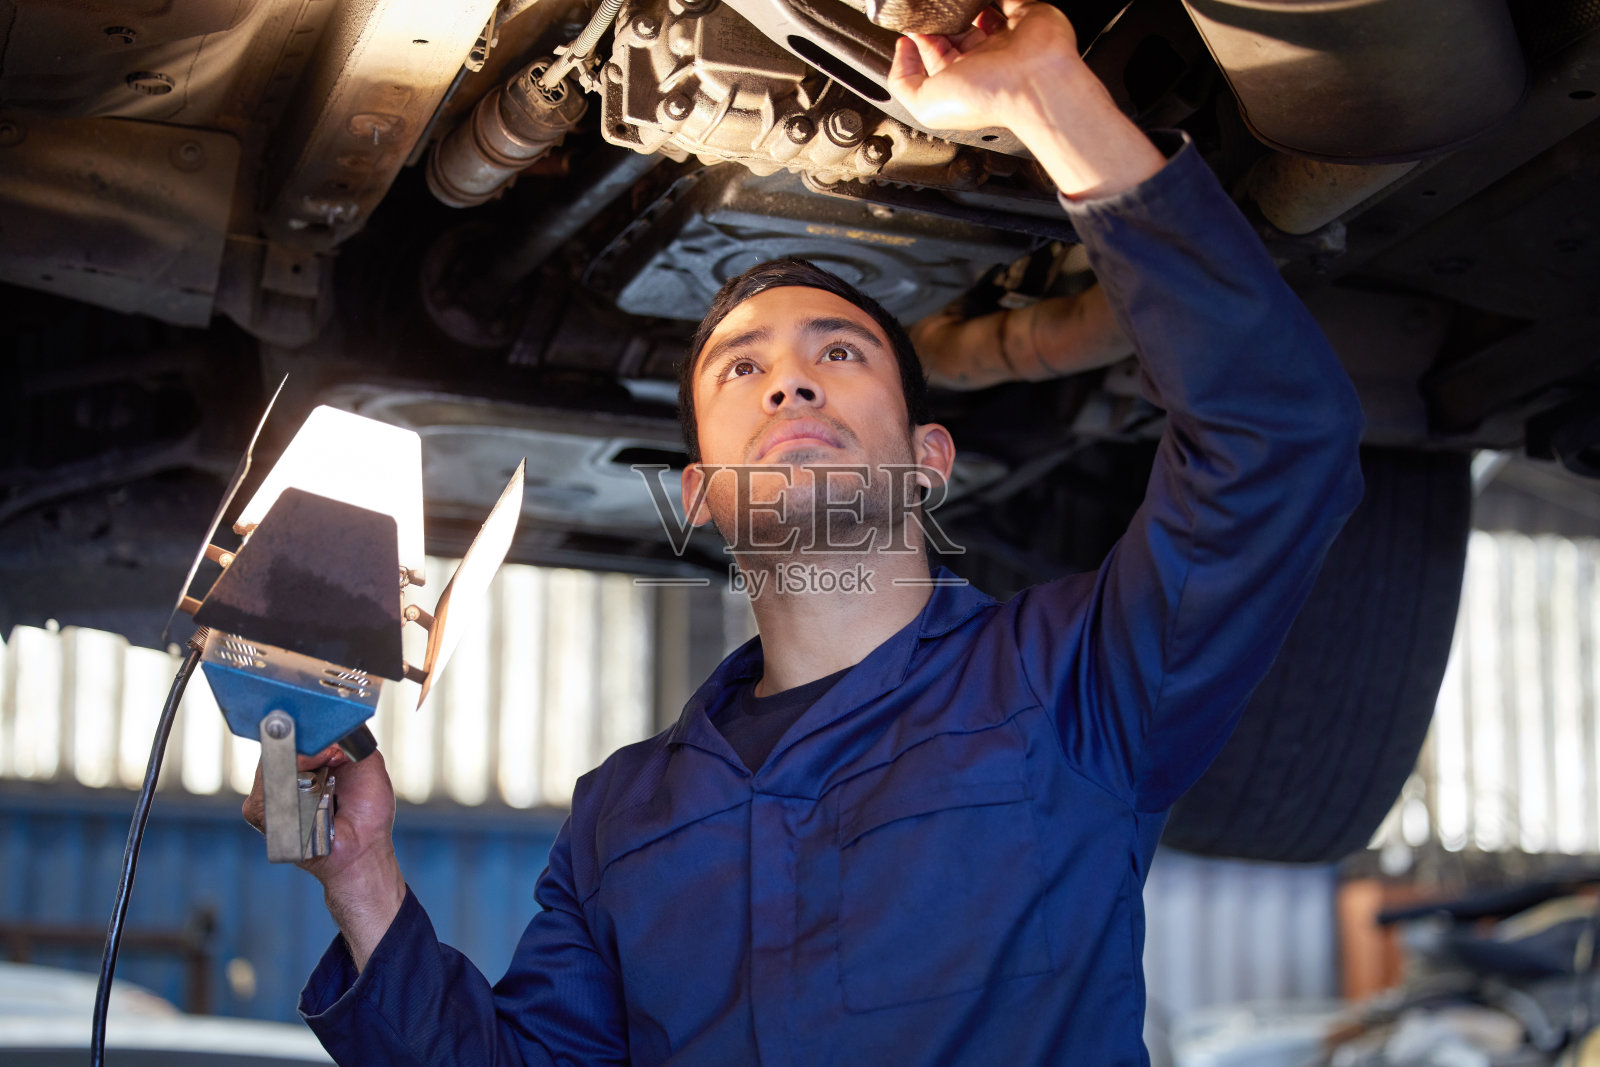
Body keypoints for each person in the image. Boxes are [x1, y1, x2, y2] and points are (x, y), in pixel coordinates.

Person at [244, 2, 1365, 1063]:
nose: (789, 385)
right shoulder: (623, 814)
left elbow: (1275, 438)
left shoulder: (1075, 682)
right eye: (744, 370)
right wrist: (361, 879)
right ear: (701, 497)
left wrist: (1048, 99)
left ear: (928, 460)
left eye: (839, 354)